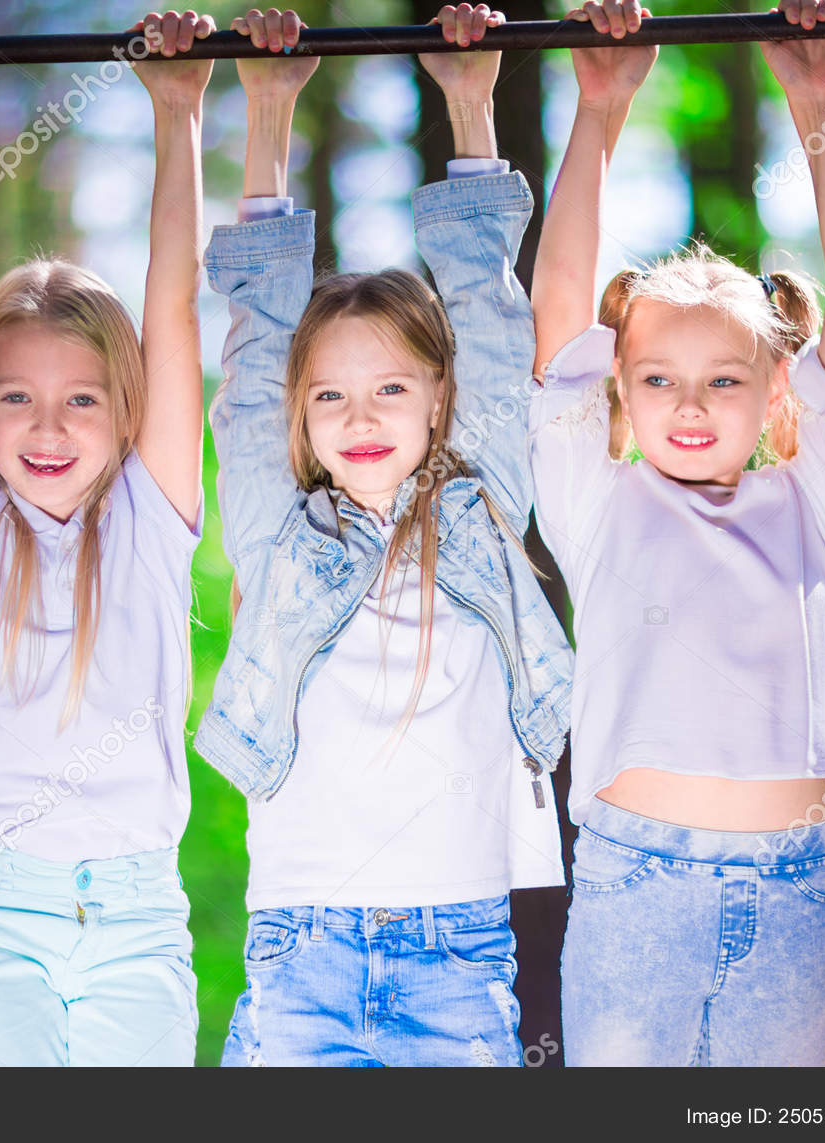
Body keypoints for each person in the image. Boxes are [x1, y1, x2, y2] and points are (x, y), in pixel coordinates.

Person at [531, 0, 825, 1065]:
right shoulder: (596, 505)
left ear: (775, 390)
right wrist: (599, 113)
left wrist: (818, 110)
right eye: (657, 379)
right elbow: (561, 303)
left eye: (722, 380)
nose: (687, 404)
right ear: (618, 388)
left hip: (796, 891)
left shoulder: (811, 500)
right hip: (634, 886)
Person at [199, 4, 573, 1067]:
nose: (359, 419)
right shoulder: (281, 533)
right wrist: (267, 110)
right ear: (300, 416)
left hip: (457, 952)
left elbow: (491, 326)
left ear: (440, 403)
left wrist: (468, 100)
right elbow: (259, 341)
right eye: (329, 398)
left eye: (390, 389)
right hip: (300, 949)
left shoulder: (484, 508)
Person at [0, 10, 212, 1065]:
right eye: (20, 397)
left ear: (128, 411)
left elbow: (173, 308)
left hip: (135, 916)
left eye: (82, 400)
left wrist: (178, 112)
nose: (48, 426)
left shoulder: (151, 524)